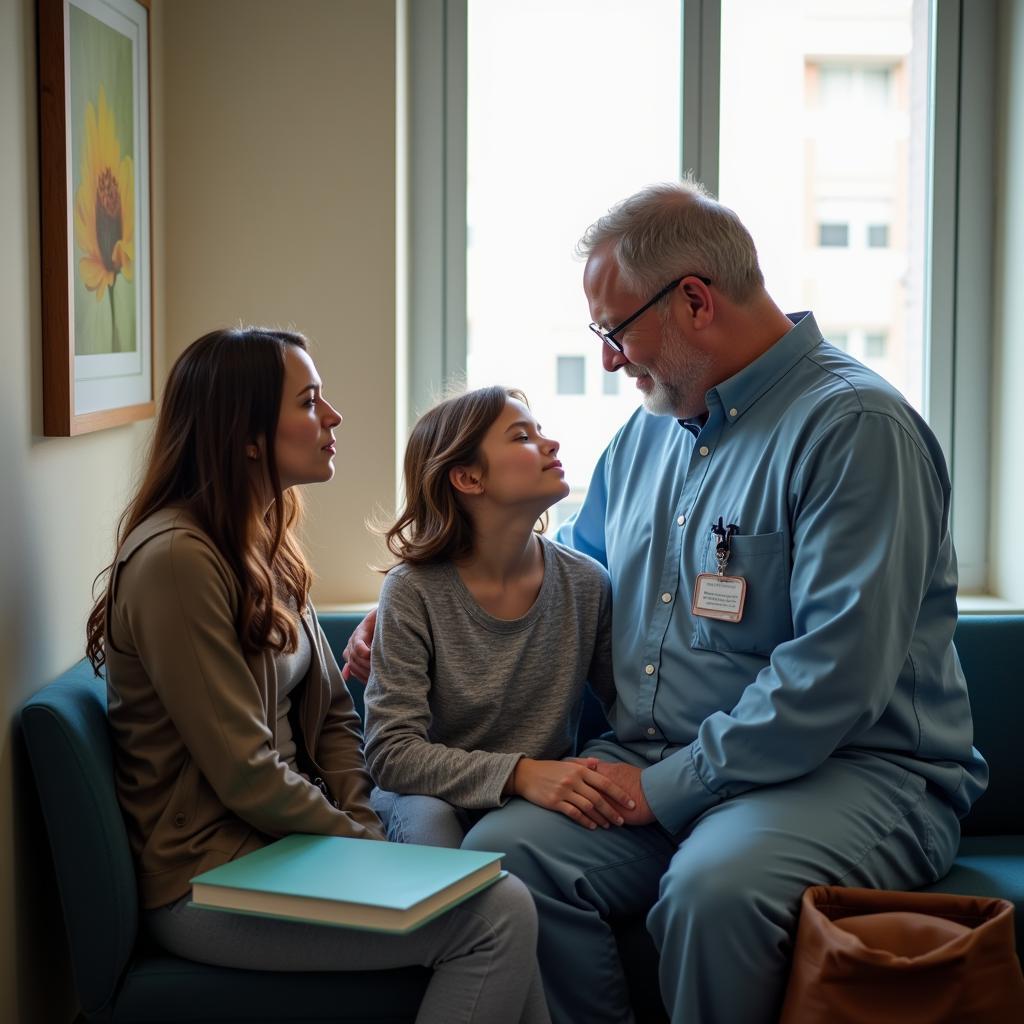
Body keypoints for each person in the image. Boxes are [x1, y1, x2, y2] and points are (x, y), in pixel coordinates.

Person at [344, 181, 989, 1024]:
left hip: (852, 770)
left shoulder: (854, 428)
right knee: (509, 854)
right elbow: (569, 571)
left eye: (615, 333)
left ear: (693, 300)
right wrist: (421, 598)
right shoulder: (648, 435)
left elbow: (837, 673)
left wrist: (670, 788)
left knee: (712, 892)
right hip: (656, 761)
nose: (610, 360)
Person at [85, 327, 550, 1024]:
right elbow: (245, 771)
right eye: (308, 402)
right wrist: (364, 849)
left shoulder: (264, 537)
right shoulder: (178, 561)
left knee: (476, 866)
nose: (331, 418)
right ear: (245, 434)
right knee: (497, 913)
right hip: (209, 878)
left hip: (286, 844)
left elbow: (334, 715)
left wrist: (363, 824)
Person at [363, 387, 627, 849]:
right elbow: (391, 754)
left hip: (534, 801)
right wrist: (520, 774)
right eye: (523, 436)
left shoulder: (587, 583)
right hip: (427, 795)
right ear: (467, 478)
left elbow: (626, 713)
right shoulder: (412, 588)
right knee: (433, 831)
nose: (551, 444)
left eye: (540, 431)